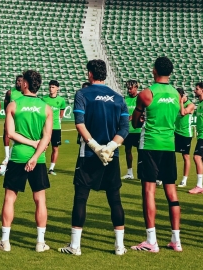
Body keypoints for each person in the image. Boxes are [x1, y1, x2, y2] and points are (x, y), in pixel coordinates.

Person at [59, 60, 128, 256]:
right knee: (115, 199)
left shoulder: (82, 94)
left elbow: (79, 124)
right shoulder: (118, 97)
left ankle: (75, 246)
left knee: (81, 198)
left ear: (90, 74)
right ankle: (119, 247)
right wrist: (110, 147)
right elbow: (125, 128)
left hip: (88, 153)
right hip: (111, 156)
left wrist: (96, 147)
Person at [0, 70, 53, 253]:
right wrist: (35, 155)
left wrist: (30, 144)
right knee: (40, 200)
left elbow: (10, 134)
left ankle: (5, 241)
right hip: (38, 158)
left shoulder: (13, 105)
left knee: (10, 198)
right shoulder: (46, 107)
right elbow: (47, 137)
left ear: (25, 84)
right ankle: (40, 243)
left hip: (18, 156)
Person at [130, 57, 183, 252]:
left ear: (154, 70)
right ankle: (176, 240)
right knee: (172, 193)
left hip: (150, 144)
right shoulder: (176, 94)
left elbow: (135, 123)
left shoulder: (146, 94)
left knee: (149, 191)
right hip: (169, 145)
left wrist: (140, 117)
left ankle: (151, 240)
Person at [0, 74, 25, 175]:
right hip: (11, 118)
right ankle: (7, 156)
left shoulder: (25, 93)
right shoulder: (10, 92)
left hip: (21, 119)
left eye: (20, 81)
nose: (18, 82)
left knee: (20, 137)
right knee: (6, 133)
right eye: (17, 81)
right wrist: (8, 116)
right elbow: (6, 104)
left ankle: (15, 157)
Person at [175, 87, 196, 188]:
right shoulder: (177, 103)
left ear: (183, 96)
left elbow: (183, 113)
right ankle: (164, 177)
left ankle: (184, 179)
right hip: (175, 132)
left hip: (185, 134)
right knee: (168, 155)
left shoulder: (191, 105)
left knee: (185, 156)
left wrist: (181, 102)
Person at [43, 80, 66, 174]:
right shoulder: (44, 99)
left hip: (56, 127)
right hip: (45, 127)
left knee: (55, 148)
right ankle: (41, 165)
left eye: (53, 87)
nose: (51, 89)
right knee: (43, 147)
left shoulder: (61, 100)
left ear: (57, 88)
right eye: (50, 87)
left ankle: (51, 168)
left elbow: (61, 114)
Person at [121, 80, 141, 180]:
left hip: (138, 130)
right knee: (127, 150)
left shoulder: (140, 98)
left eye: (130, 88)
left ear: (136, 88)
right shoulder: (125, 99)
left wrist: (134, 116)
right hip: (128, 130)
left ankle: (141, 173)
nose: (129, 90)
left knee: (141, 152)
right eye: (128, 88)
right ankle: (130, 173)